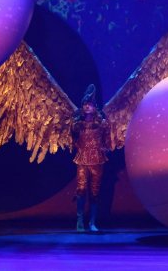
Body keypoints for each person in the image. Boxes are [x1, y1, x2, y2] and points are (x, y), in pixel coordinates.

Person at [71, 84, 109, 232]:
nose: (87, 106)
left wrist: (105, 147)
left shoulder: (101, 124)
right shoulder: (77, 125)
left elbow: (107, 140)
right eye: (85, 104)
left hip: (97, 160)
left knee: (94, 191)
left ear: (95, 107)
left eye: (90, 104)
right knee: (81, 188)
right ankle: (80, 220)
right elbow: (72, 139)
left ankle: (92, 222)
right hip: (82, 159)